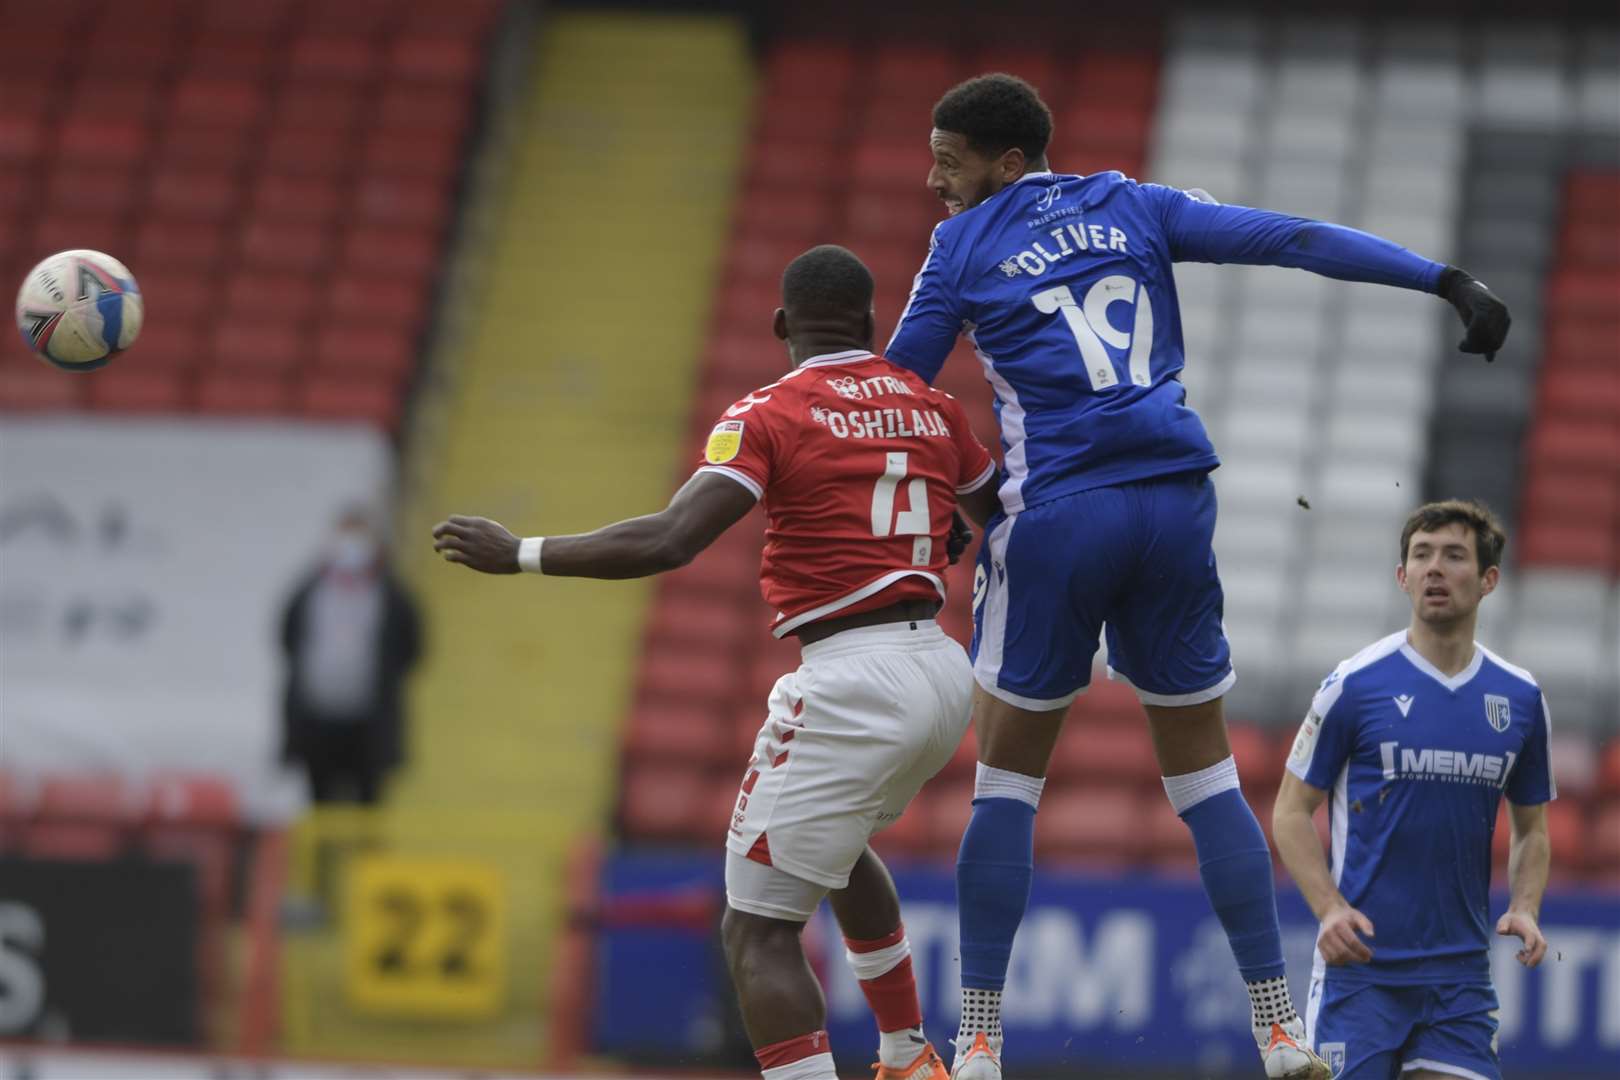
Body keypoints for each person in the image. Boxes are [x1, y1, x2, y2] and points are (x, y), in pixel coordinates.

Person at [882, 73, 1511, 1079]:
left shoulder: (960, 246)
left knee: (1007, 780)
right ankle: (1275, 1030)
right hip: (1175, 504)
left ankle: (982, 1044)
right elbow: (1293, 240)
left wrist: (957, 504)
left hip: (1059, 516)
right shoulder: (1134, 203)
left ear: (1004, 166)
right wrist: (1444, 280)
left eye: (948, 163)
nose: (932, 179)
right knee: (1205, 777)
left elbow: (899, 390)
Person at [433, 245, 1000, 1080]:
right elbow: (992, 510)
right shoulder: (933, 405)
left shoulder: (770, 412)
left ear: (781, 325)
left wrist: (522, 552)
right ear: (874, 326)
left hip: (851, 676)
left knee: (756, 929)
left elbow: (672, 539)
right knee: (839, 851)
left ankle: (890, 1059)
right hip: (942, 673)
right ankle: (907, 1055)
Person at [1273, 500, 1552, 1080]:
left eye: (1453, 556)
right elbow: (1291, 811)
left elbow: (1532, 829)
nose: (1434, 569)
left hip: (1460, 982)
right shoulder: (1353, 684)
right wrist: (1328, 909)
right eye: (1421, 556)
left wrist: (1525, 907)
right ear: (1402, 577)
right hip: (1362, 974)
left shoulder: (1521, 699)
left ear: (1487, 580)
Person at [280, 506, 422, 805]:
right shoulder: (310, 591)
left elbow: (411, 648)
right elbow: (287, 639)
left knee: (367, 805)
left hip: (369, 723)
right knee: (320, 802)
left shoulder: (391, 595)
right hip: (316, 719)